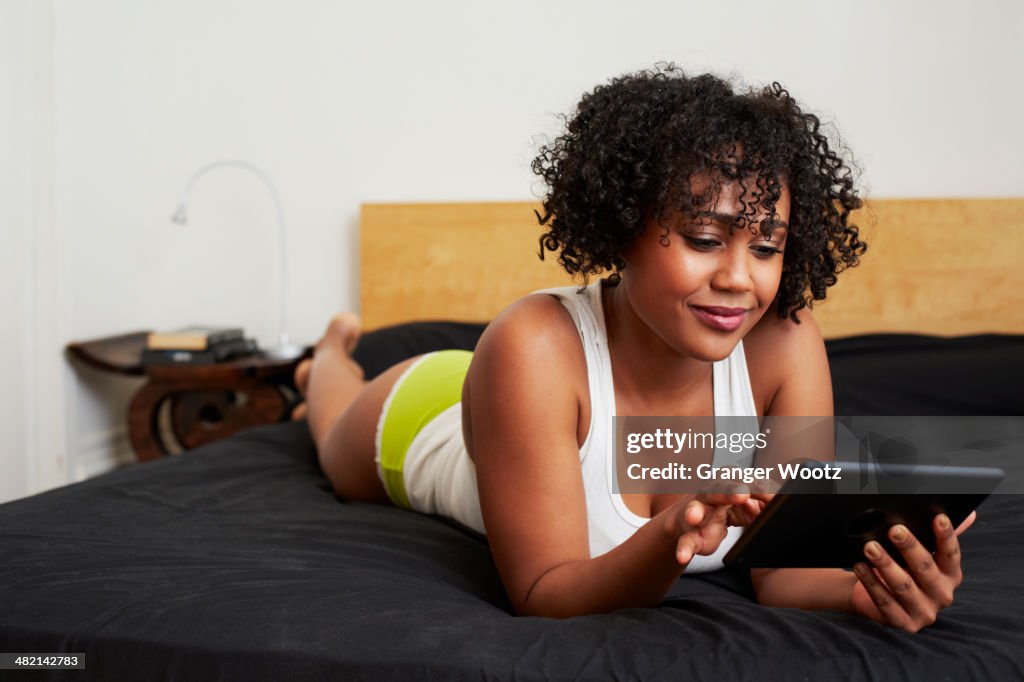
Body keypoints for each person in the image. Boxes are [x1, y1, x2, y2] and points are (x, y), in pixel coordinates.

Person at [295, 65, 972, 630]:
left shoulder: (786, 347)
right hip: (426, 413)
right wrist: (671, 536)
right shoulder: (530, 346)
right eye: (706, 238)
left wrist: (865, 595)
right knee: (329, 423)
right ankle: (325, 355)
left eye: (766, 246)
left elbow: (786, 570)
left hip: (522, 412)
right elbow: (544, 593)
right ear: (623, 229)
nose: (739, 278)